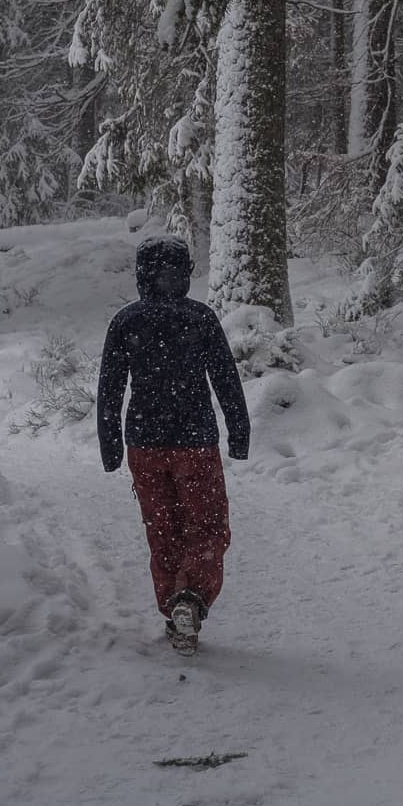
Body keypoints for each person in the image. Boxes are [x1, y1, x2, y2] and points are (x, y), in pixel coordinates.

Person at [97, 235, 250, 655]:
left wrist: (110, 445)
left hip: (144, 444)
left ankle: (175, 609)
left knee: (162, 528)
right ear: (184, 272)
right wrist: (239, 432)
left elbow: (110, 388)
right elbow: (225, 378)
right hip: (194, 441)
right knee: (206, 524)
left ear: (141, 274)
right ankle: (192, 598)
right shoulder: (200, 317)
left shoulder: (126, 321)